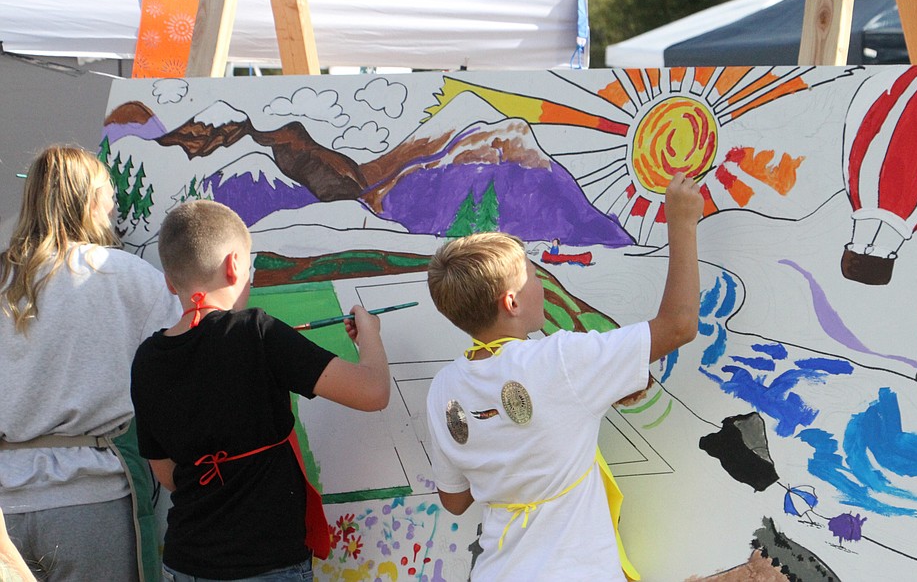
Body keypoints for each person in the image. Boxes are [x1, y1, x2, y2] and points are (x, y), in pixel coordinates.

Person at [424, 173, 703, 581]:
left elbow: (454, 500)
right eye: (536, 276)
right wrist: (682, 222)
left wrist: (503, 454)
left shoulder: (443, 389)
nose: (545, 285)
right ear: (512, 301)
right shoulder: (562, 361)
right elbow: (679, 325)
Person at [130, 200, 391, 581]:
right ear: (235, 265)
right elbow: (373, 391)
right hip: (267, 562)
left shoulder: (147, 360)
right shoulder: (256, 332)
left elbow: (167, 474)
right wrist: (370, 336)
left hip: (187, 561)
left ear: (171, 281)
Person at [0, 145, 180, 581]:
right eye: (111, 197)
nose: (116, 208)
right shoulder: (129, 276)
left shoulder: (4, 278)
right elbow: (184, 367)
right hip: (93, 499)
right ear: (92, 202)